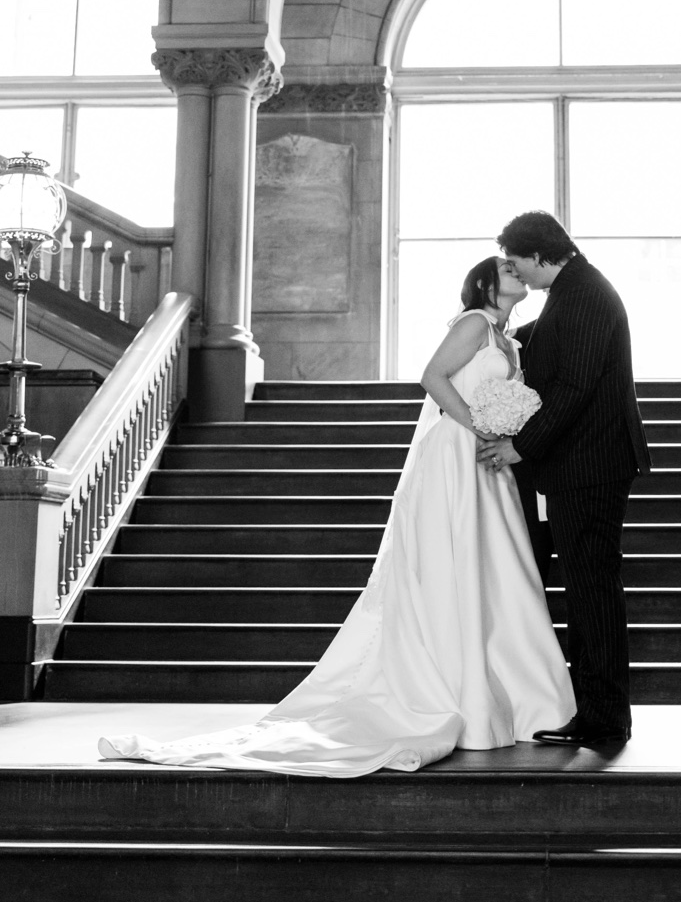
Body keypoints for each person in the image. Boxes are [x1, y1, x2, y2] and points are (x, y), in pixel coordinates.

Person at [98, 257, 572, 775]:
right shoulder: (474, 324)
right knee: (453, 566)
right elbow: (432, 378)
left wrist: (502, 435)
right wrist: (479, 425)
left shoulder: (511, 340)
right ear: (484, 282)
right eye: (508, 268)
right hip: (457, 455)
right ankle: (456, 691)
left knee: (499, 574)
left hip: (489, 464)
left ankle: (510, 696)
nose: (518, 274)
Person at [478, 211, 650, 749]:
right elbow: (544, 344)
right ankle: (589, 708)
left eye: (519, 263)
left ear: (539, 255)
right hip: (578, 466)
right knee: (584, 589)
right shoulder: (574, 292)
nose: (519, 275)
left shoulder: (586, 294)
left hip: (590, 468)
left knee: (592, 591)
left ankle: (602, 717)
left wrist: (519, 445)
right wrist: (487, 333)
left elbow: (574, 386)